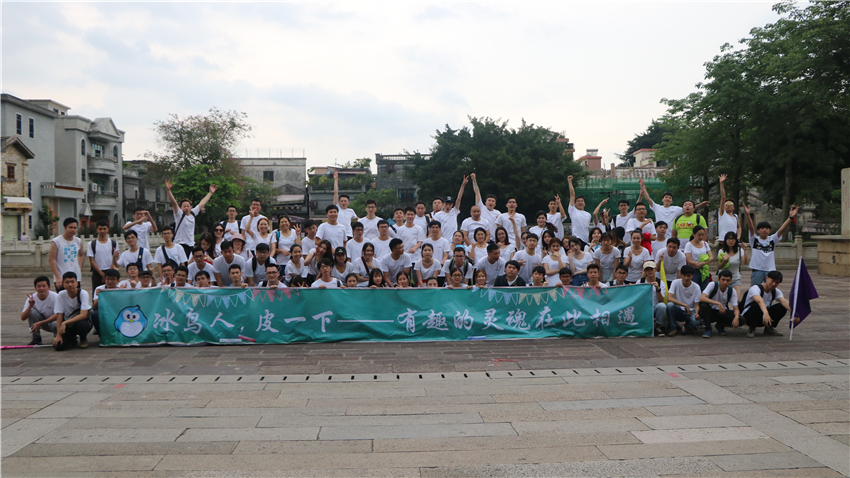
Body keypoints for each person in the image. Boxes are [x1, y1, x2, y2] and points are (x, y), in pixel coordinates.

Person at [744, 204, 799, 287]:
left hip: (770, 270)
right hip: (757, 270)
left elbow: (782, 229)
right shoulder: (754, 239)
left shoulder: (772, 239)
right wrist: (748, 215)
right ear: (758, 230)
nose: (764, 230)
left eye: (767, 228)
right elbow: (751, 228)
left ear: (769, 231)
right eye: (762, 228)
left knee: (770, 289)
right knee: (755, 290)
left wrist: (790, 218)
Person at [639, 178, 709, 239]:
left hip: (671, 236)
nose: (668, 199)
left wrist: (701, 205)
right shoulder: (657, 207)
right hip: (659, 236)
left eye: (670, 198)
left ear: (672, 201)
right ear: (662, 199)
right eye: (666, 197)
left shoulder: (676, 209)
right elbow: (648, 198)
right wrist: (643, 186)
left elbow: (689, 208)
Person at [165, 181, 217, 257]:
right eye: (184, 206)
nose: (186, 208)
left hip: (190, 245)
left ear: (190, 207)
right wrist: (168, 191)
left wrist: (210, 193)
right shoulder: (179, 214)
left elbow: (202, 203)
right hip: (180, 244)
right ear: (181, 208)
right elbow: (174, 203)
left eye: (188, 206)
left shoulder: (193, 213)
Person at [741, 270, 798, 338]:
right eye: (772, 281)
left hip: (765, 317)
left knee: (781, 307)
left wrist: (795, 313)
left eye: (776, 282)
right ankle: (751, 328)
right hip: (749, 316)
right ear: (767, 278)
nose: (774, 284)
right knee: (756, 305)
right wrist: (765, 313)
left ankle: (769, 328)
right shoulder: (755, 288)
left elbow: (784, 302)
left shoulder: (776, 292)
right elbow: (759, 301)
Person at [50, 272, 92, 350]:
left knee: (82, 325)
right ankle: (72, 339)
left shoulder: (83, 294)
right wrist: (58, 335)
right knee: (59, 346)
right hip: (68, 324)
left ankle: (83, 338)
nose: (70, 285)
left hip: (80, 322)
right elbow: (59, 315)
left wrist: (65, 323)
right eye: (67, 282)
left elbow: (83, 315)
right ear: (63, 284)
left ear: (77, 283)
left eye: (72, 282)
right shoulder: (60, 295)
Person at [699, 269, 739, 338]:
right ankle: (708, 328)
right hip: (710, 312)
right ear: (719, 279)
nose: (725, 282)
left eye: (728, 280)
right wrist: (718, 303)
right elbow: (702, 298)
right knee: (703, 306)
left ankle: (720, 325)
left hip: (722, 312)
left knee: (741, 320)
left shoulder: (732, 291)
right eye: (723, 280)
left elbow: (736, 308)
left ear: (731, 281)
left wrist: (736, 317)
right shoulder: (712, 285)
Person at [21, 276, 59, 345]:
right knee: (32, 313)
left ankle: (58, 336)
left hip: (56, 323)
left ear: (48, 287)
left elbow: (58, 315)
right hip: (43, 324)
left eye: (44, 286)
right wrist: (30, 306)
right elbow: (23, 317)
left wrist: (40, 323)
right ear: (35, 288)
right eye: (39, 286)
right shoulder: (31, 298)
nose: (41, 288)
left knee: (55, 324)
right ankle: (36, 338)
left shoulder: (55, 297)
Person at [665, 265, 702, 336]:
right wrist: (684, 305)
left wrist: (697, 313)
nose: (686, 278)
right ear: (681, 275)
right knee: (669, 305)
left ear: (692, 275)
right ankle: (673, 328)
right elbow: (669, 298)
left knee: (696, 321)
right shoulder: (675, 282)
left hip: (690, 311)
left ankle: (686, 326)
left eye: (688, 276)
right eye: (684, 275)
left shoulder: (696, 287)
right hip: (679, 309)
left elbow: (697, 304)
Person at [49, 217, 84, 292]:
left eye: (75, 228)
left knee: (76, 297)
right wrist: (57, 277)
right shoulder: (56, 242)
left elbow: (81, 255)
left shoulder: (78, 241)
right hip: (62, 278)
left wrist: (79, 268)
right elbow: (51, 260)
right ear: (65, 228)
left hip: (75, 277)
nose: (73, 230)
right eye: (70, 227)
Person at [432, 176, 468, 241]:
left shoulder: (454, 211)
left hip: (453, 241)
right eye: (446, 204)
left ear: (452, 205)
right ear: (443, 204)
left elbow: (459, 199)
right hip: (443, 240)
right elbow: (437, 228)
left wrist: (463, 185)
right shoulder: (438, 215)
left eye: (450, 204)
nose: (448, 206)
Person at [87, 220, 118, 291]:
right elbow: (92, 261)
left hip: (111, 272)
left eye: (104, 229)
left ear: (108, 230)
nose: (102, 231)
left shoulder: (113, 243)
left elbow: (115, 259)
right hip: (97, 272)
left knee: (111, 292)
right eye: (100, 229)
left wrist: (109, 272)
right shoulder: (92, 244)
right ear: (97, 230)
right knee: (97, 292)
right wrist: (101, 273)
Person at [637, 262, 666, 337]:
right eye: (647, 269)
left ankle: (658, 326)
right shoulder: (640, 282)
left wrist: (658, 289)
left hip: (655, 307)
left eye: (651, 269)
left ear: (655, 270)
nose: (649, 271)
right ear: (644, 271)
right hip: (643, 307)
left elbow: (661, 300)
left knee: (662, 306)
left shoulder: (661, 283)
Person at [718, 231, 748, 302]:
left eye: (733, 239)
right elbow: (719, 266)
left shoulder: (740, 250)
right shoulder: (722, 251)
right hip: (724, 278)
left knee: (737, 300)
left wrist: (745, 251)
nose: (731, 241)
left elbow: (746, 262)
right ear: (725, 240)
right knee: (722, 299)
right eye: (729, 239)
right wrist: (724, 261)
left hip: (735, 277)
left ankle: (737, 309)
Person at [89, 268, 120, 336]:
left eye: (113, 279)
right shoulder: (99, 289)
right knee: (95, 314)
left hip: (116, 312)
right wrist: (99, 296)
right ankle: (101, 334)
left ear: (118, 280)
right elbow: (95, 307)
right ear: (104, 279)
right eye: (108, 279)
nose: (110, 281)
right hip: (104, 311)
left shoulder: (121, 290)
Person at [471, 173, 500, 238]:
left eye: (493, 201)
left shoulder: (498, 213)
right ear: (485, 202)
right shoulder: (481, 207)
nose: (491, 202)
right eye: (489, 200)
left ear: (495, 204)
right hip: (481, 237)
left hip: (493, 239)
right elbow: (477, 192)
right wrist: (474, 180)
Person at [566, 175, 592, 247]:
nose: (580, 202)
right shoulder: (572, 210)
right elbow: (572, 195)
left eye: (582, 201)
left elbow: (587, 228)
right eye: (578, 201)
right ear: (575, 204)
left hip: (586, 240)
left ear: (584, 203)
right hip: (576, 239)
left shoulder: (588, 215)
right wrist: (570, 182)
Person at [684, 225, 713, 290]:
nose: (701, 237)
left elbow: (711, 257)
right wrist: (697, 264)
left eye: (702, 235)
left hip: (704, 270)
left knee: (704, 290)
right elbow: (689, 260)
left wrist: (702, 263)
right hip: (694, 270)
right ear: (694, 234)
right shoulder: (689, 245)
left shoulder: (705, 244)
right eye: (699, 235)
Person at [717, 174, 742, 243]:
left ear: (733, 207)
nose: (728, 206)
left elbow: (739, 227)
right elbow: (723, 198)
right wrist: (721, 183)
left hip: (733, 241)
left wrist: (738, 237)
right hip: (723, 240)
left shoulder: (735, 216)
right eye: (726, 205)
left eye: (731, 205)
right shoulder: (722, 214)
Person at [333, 171, 358, 238]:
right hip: (338, 234)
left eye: (345, 201)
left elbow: (357, 218)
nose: (343, 203)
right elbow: (335, 193)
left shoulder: (351, 211)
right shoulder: (337, 208)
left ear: (348, 202)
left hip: (348, 235)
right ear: (339, 202)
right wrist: (336, 180)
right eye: (342, 201)